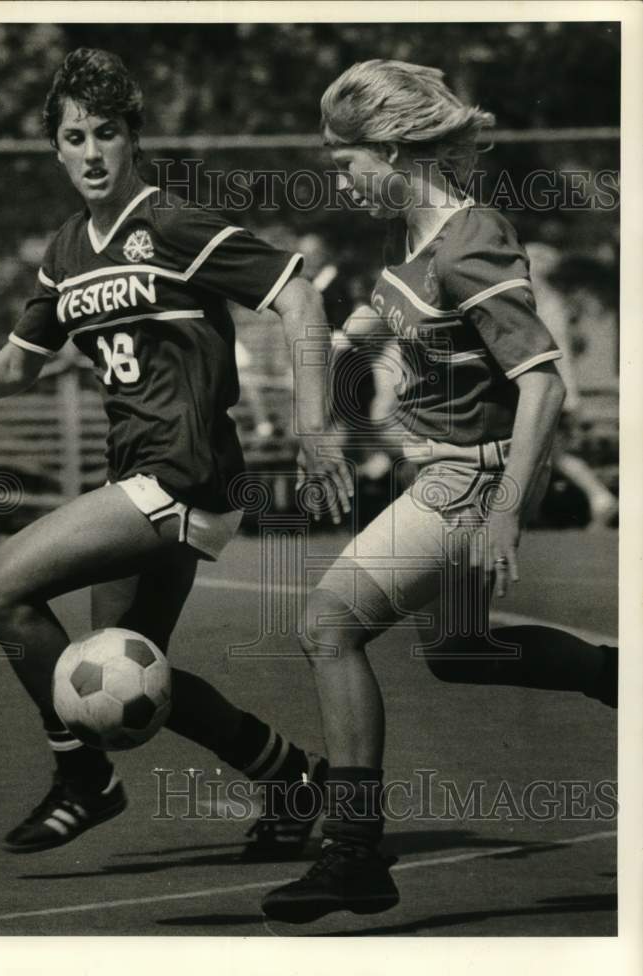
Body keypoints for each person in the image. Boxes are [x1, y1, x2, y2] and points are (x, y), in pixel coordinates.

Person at [0, 48, 352, 857]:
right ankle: (291, 779)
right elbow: (16, 366)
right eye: (75, 136)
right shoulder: (65, 251)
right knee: (125, 668)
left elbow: (297, 294)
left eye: (108, 132)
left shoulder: (169, 222)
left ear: (132, 138)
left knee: (0, 593)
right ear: (57, 148)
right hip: (137, 476)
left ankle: (84, 778)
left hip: (183, 474)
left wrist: (315, 428)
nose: (93, 150)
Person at [262, 59, 617, 924]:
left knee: (327, 626)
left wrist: (501, 515)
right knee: (457, 654)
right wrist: (307, 336)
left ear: (388, 149)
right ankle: (620, 676)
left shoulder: (471, 244)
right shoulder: (410, 244)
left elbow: (543, 384)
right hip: (448, 471)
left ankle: (353, 855)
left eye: (345, 162)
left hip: (473, 479)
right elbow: (353, 330)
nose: (339, 180)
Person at [526, 242, 618, 528]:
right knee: (548, 452)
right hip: (559, 390)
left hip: (553, 390)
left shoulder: (544, 305)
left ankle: (598, 497)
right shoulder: (552, 304)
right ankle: (597, 498)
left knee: (547, 452)